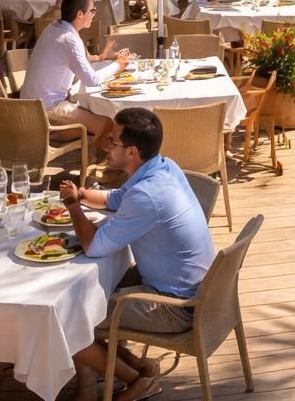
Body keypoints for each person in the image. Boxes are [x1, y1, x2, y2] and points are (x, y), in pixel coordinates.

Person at [59, 108, 215, 401]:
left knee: (70, 318)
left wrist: (73, 207)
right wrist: (81, 194)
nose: (105, 145)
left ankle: (138, 381)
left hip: (176, 306)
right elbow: (118, 198)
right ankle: (120, 375)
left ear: (132, 151)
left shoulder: (146, 196)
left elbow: (94, 247)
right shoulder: (164, 167)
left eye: (112, 141)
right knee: (82, 295)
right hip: (193, 290)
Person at [20, 0, 131, 150]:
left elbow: (81, 58)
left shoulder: (54, 27)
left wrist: (102, 57)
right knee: (107, 122)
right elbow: (92, 80)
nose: (94, 15)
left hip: (29, 104)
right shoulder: (69, 39)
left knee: (87, 110)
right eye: (92, 11)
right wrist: (118, 66)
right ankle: (96, 158)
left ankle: (55, 139)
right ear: (80, 14)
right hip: (48, 108)